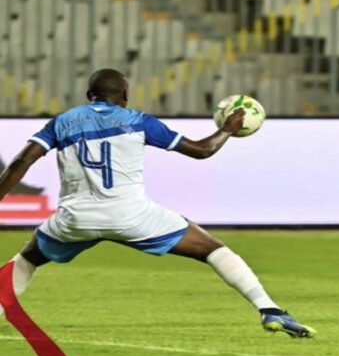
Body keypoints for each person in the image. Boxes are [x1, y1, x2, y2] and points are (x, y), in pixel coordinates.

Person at [0, 68, 315, 338]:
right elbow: (202, 151)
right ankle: (270, 310)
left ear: (88, 95)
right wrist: (227, 130)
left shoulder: (62, 122)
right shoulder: (139, 121)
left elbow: (21, 161)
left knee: (28, 259)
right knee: (213, 250)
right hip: (132, 216)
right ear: (125, 95)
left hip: (76, 219)